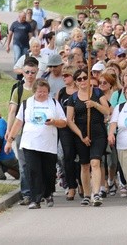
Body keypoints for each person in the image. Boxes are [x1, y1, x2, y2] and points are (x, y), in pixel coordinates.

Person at [5, 79, 67, 209]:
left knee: (48, 172)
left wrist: (54, 122)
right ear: (34, 91)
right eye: (39, 92)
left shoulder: (54, 103)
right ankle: (35, 199)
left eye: (45, 92)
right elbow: (18, 123)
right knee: (33, 171)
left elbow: (64, 122)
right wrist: (9, 141)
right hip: (30, 143)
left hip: (48, 144)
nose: (42, 94)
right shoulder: (26, 104)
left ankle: (48, 193)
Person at [66, 69, 110, 206]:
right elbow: (69, 120)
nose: (82, 81)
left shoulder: (97, 93)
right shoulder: (73, 98)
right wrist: (81, 135)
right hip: (81, 133)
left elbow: (107, 111)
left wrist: (95, 104)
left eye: (85, 78)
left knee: (95, 162)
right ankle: (86, 194)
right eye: (79, 79)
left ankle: (96, 194)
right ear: (76, 82)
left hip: (98, 132)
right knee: (84, 165)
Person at [6, 58, 39, 205]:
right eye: (27, 72)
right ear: (23, 73)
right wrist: (9, 131)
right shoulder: (18, 90)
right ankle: (26, 193)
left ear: (37, 71)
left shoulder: (41, 87)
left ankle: (40, 191)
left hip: (39, 132)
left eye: (33, 72)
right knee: (24, 163)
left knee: (38, 162)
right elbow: (12, 111)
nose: (30, 75)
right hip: (21, 132)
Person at [56, 65, 79, 200]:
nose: (64, 77)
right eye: (62, 75)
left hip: (79, 126)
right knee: (67, 156)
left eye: (67, 75)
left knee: (81, 156)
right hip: (65, 127)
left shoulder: (81, 91)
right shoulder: (62, 92)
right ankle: (71, 186)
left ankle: (82, 182)